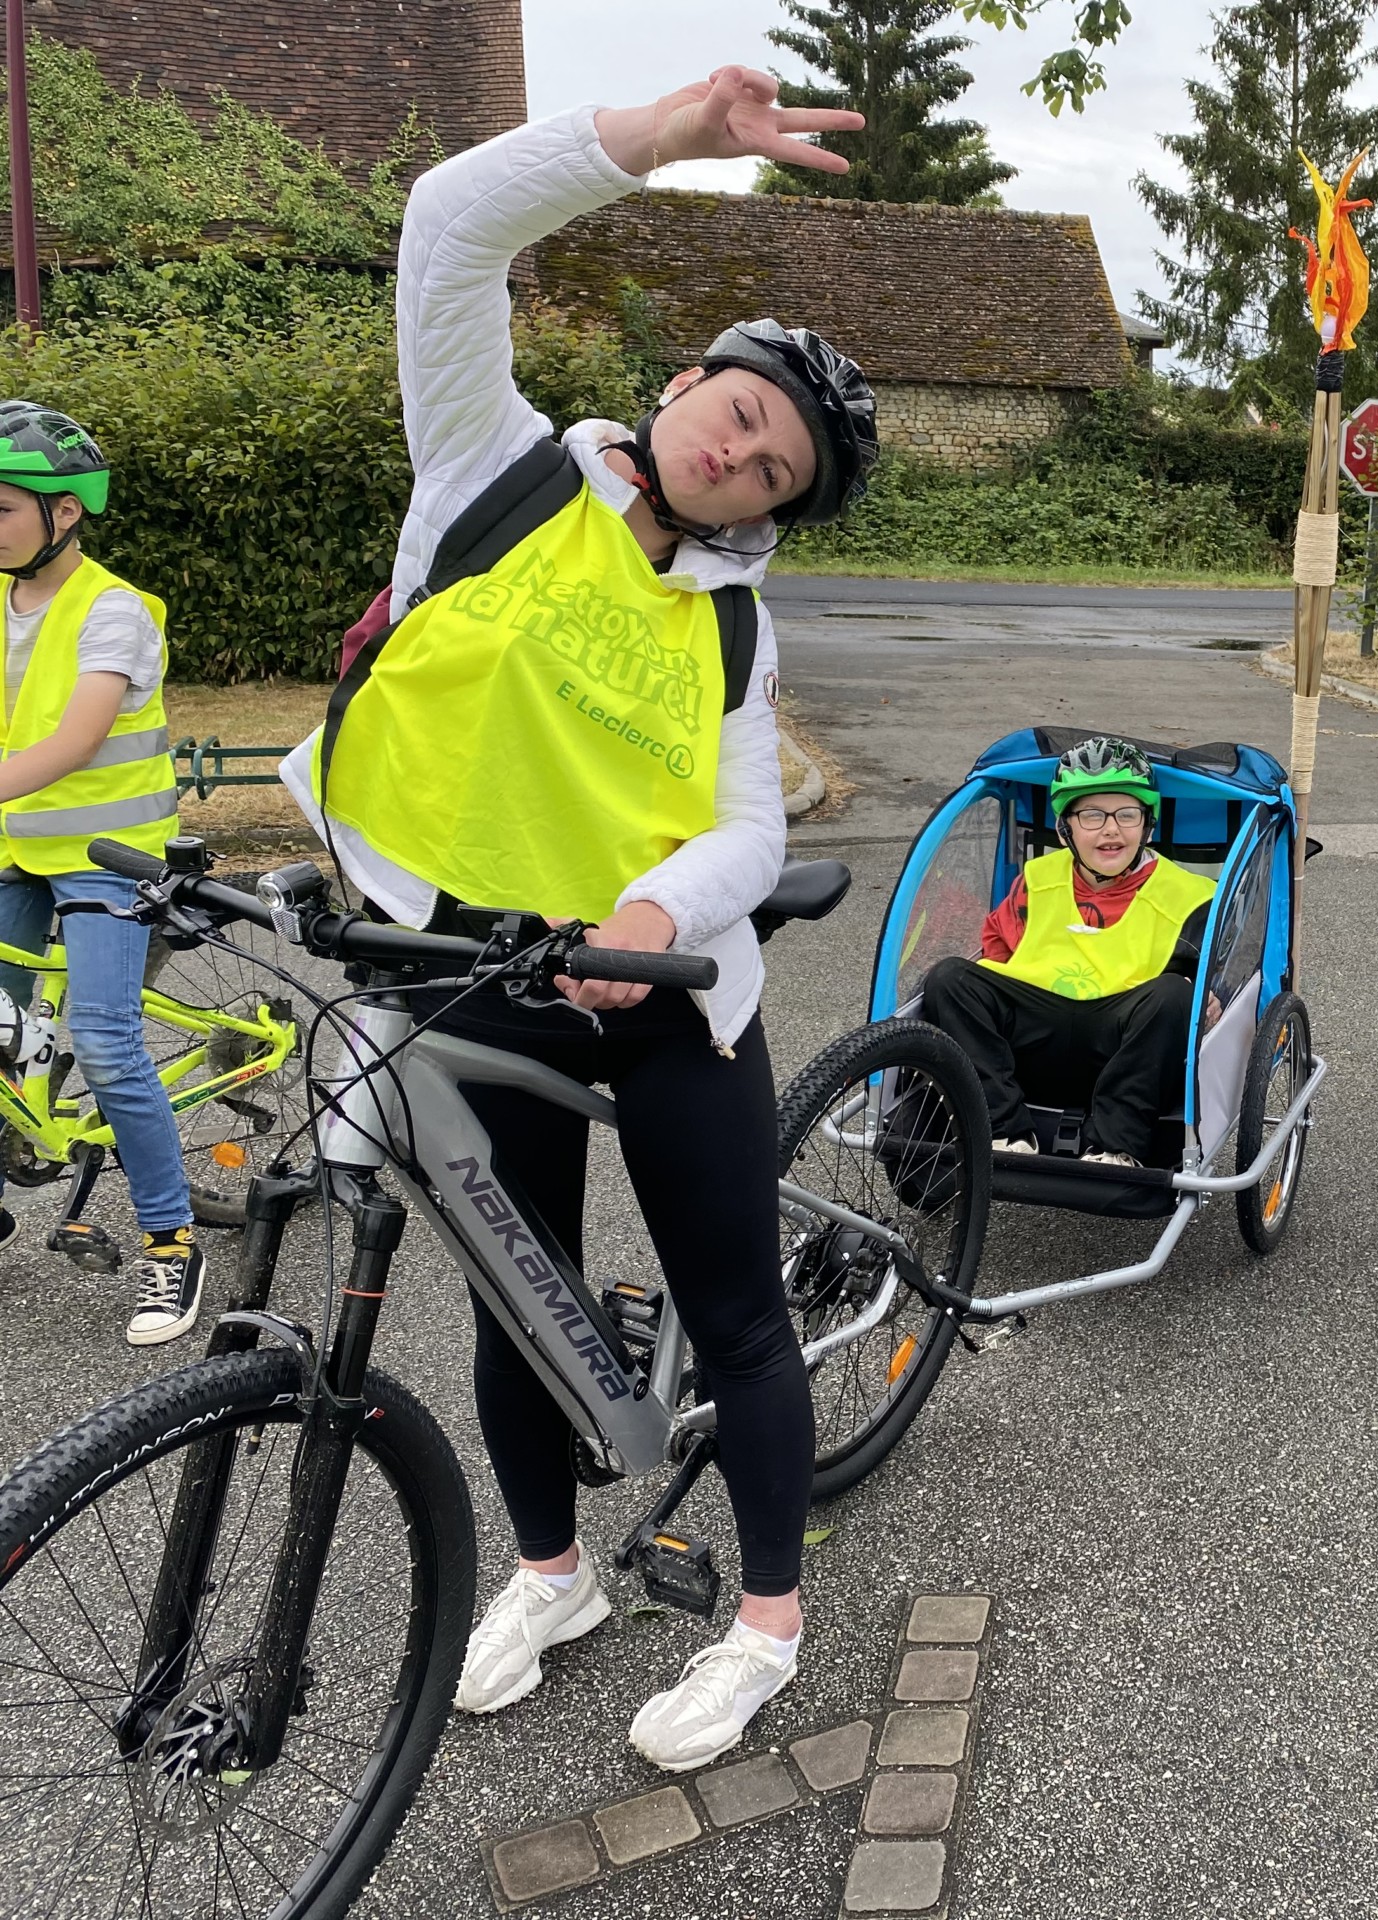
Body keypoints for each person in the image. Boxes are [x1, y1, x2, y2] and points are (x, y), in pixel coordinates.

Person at [281, 68, 876, 1770]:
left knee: (737, 1305)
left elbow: (748, 825)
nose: (744, 450)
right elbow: (447, 227)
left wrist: (649, 906)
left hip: (652, 975)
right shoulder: (494, 462)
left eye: (778, 467)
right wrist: (665, 135)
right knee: (512, 1300)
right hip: (460, 951)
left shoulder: (736, 636)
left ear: (773, 512)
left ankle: (767, 1623)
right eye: (741, 410)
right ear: (686, 385)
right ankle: (552, 1576)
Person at [0, 403, 202, 1345]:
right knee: (2, 1037)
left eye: (2, 507)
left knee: (108, 1042)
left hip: (105, 856)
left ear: (66, 512)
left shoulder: (113, 611)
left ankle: (171, 1244)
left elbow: (78, 740)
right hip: (14, 846)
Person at [922, 737, 1216, 1168]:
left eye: (1127, 814)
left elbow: (1217, 984)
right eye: (1092, 815)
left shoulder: (1193, 896)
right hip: (1033, 1035)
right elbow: (996, 955)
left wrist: (1212, 999)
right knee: (949, 977)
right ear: (1065, 829)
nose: (1111, 829)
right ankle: (1001, 1131)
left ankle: (1115, 1148)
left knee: (1176, 994)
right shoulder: (1036, 880)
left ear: (1148, 825)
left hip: (1126, 1045)